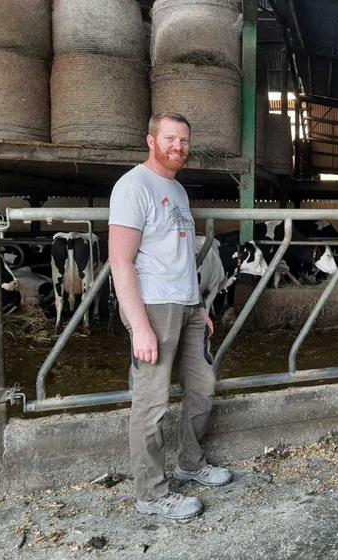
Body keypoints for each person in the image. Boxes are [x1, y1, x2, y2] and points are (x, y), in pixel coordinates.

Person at [108, 112, 232, 521]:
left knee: (203, 387)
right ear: (151, 140)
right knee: (152, 402)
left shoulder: (176, 190)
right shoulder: (133, 186)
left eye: (184, 140)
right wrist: (139, 325)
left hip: (186, 305)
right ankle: (151, 493)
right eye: (170, 139)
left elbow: (180, 257)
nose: (178, 147)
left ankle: (190, 464)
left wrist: (198, 305)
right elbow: (121, 261)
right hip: (154, 308)